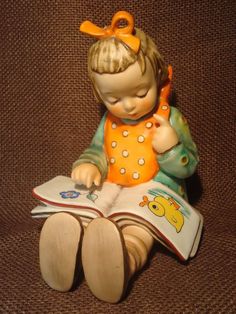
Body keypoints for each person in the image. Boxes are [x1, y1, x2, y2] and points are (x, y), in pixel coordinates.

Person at [39, 11, 199, 303]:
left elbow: (189, 167)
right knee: (88, 213)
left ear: (160, 78)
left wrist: (171, 148)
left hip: (153, 195)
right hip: (112, 187)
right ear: (99, 95)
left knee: (137, 231)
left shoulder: (171, 119)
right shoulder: (109, 122)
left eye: (140, 92)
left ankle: (122, 261)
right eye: (114, 99)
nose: (128, 106)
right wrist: (88, 163)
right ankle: (69, 246)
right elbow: (97, 148)